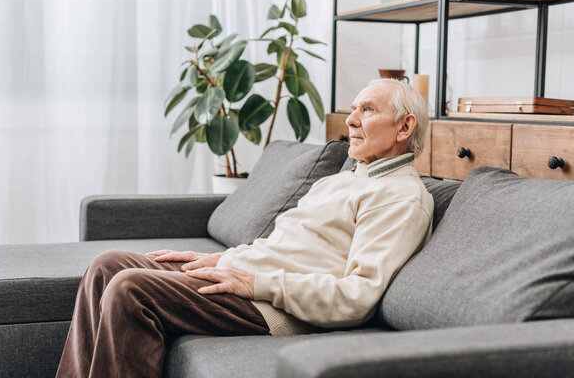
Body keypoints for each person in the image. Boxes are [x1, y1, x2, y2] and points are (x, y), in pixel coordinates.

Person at [55, 78, 433, 378]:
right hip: (252, 279)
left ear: (404, 126)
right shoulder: (345, 178)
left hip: (272, 306)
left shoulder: (400, 197)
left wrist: (255, 283)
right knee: (107, 265)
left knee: (130, 289)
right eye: (353, 109)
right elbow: (283, 247)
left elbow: (357, 297)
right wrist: (222, 260)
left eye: (367, 110)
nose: (350, 120)